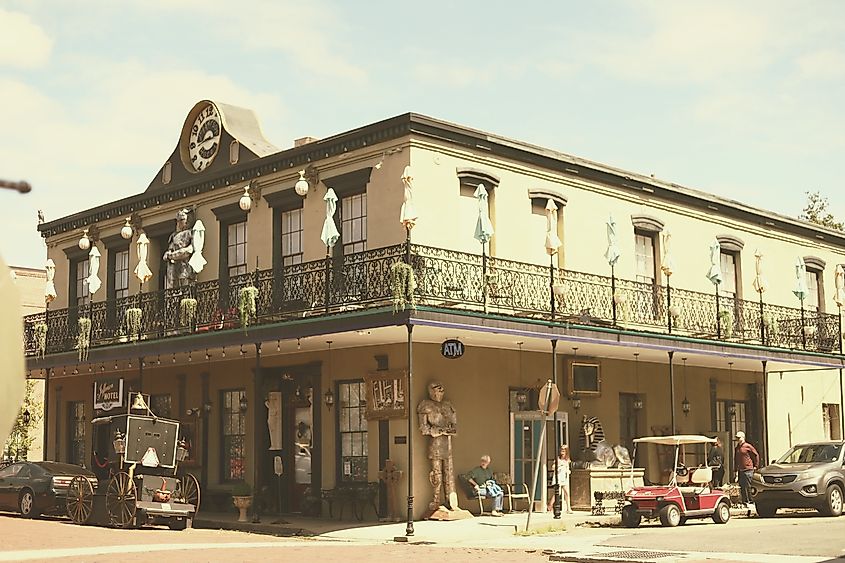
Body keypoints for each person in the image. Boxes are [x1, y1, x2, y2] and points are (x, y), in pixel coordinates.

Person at [417, 381, 458, 512]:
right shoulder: (425, 406)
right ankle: (436, 500)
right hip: (435, 444)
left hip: (448, 443)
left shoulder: (448, 405)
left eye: (441, 389)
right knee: (436, 474)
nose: (439, 391)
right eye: (436, 389)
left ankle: (451, 501)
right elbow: (423, 428)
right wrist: (437, 431)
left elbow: (454, 426)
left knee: (449, 473)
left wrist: (448, 430)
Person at [163, 208, 195, 289]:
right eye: (178, 220)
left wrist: (173, 255)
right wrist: (167, 254)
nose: (179, 222)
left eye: (182, 220)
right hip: (173, 269)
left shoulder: (191, 233)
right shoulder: (174, 235)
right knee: (174, 291)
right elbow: (170, 249)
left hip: (185, 267)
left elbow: (190, 249)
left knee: (186, 288)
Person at [733, 431, 760, 505]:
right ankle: (744, 501)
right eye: (737, 438)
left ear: (743, 438)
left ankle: (751, 501)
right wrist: (735, 470)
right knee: (742, 486)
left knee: (748, 486)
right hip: (741, 469)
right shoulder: (737, 448)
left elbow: (756, 455)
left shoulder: (748, 446)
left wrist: (755, 466)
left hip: (748, 469)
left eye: (739, 438)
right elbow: (735, 459)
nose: (738, 439)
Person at [547, 445, 572, 513]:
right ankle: (550, 505)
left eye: (564, 451)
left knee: (566, 493)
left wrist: (568, 471)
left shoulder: (567, 459)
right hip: (558, 476)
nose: (562, 452)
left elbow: (567, 468)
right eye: (561, 450)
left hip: (564, 477)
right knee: (558, 493)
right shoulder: (558, 459)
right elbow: (553, 467)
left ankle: (568, 508)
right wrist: (558, 466)